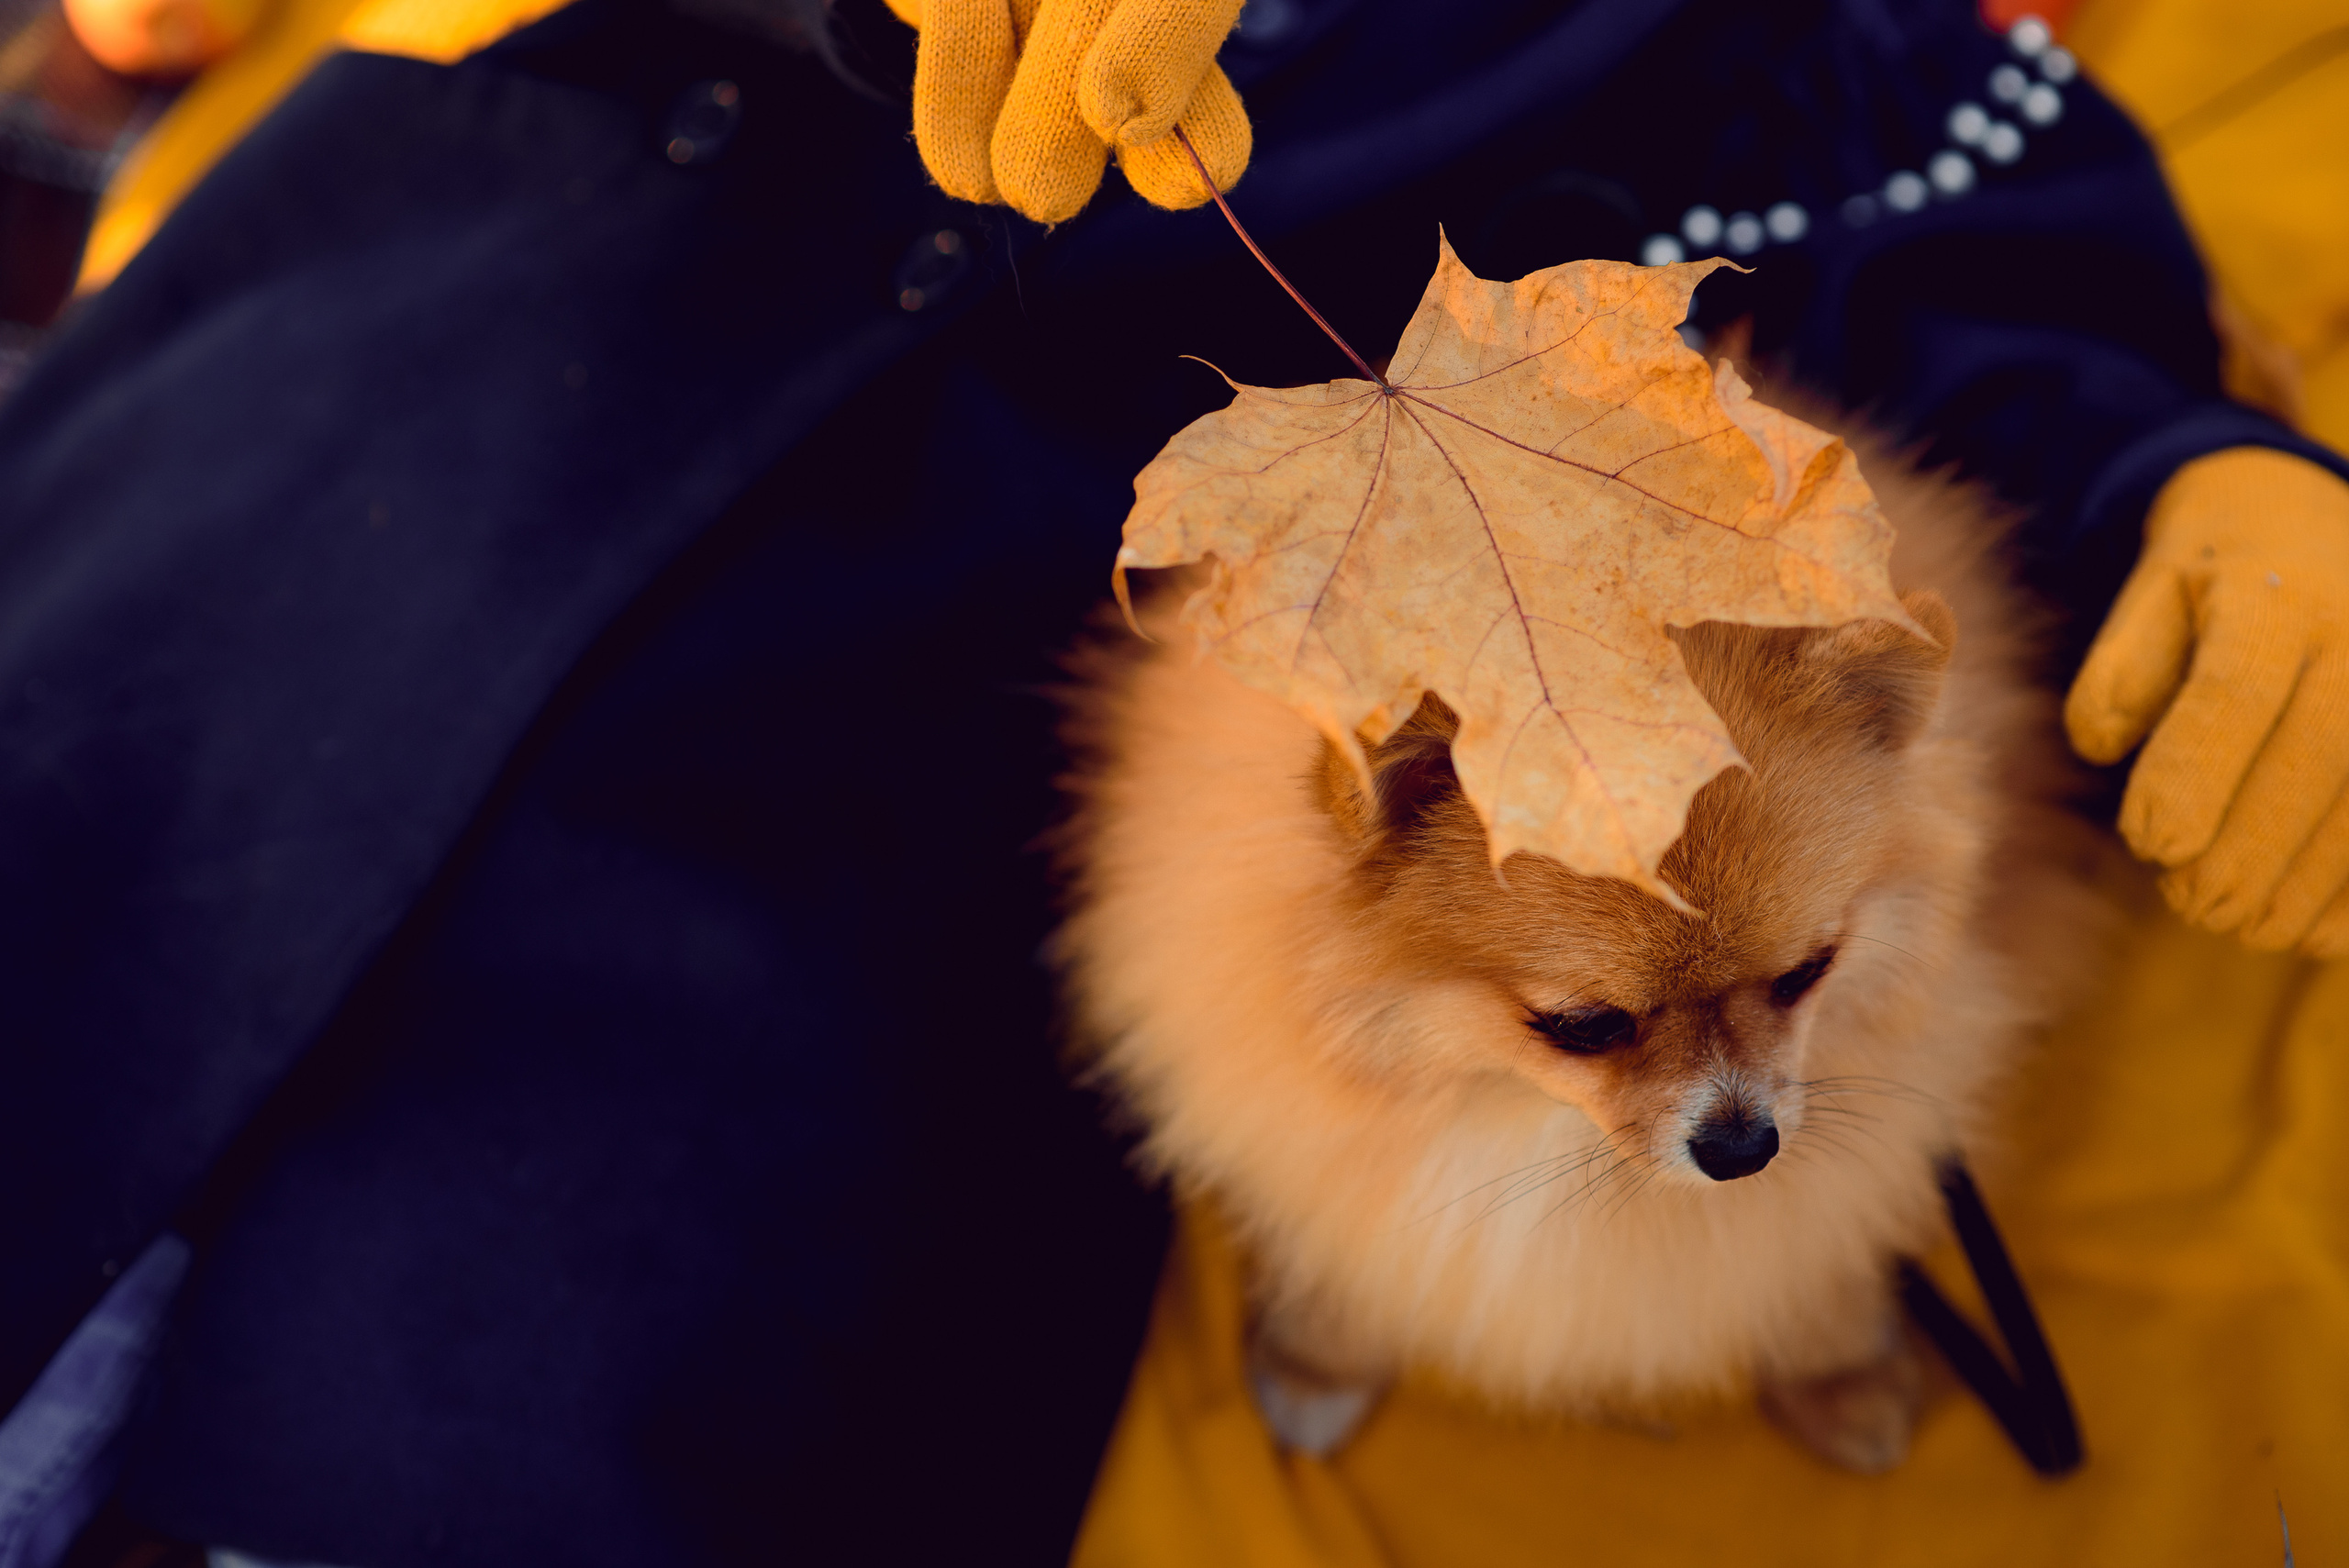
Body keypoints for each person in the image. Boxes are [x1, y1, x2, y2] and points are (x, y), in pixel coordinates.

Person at [0, 0, 2342, 1562]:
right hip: (403, 398)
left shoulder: (1747, 45)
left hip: (811, 838)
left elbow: (1963, 239)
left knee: (462, 1424)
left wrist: (2187, 473)